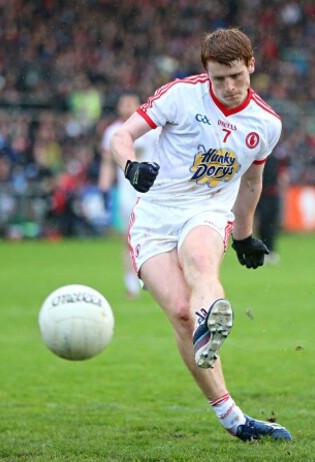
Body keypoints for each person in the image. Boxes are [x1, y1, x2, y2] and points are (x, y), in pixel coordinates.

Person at [110, 28, 292, 442]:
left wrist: (244, 235)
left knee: (200, 257)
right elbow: (123, 136)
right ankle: (234, 419)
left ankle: (211, 320)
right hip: (155, 216)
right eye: (218, 79)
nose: (228, 87)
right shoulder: (180, 94)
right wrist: (130, 166)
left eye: (236, 77)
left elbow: (251, 183)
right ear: (205, 73)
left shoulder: (266, 123)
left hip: (208, 210)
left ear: (251, 66)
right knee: (178, 312)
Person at [98, 92, 158, 299]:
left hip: (153, 191)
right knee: (129, 238)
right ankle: (132, 285)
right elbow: (107, 162)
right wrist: (104, 187)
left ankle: (153, 279)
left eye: (132, 103)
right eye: (124, 103)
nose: (127, 107)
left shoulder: (152, 130)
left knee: (155, 237)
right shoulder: (113, 132)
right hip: (126, 192)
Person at [255, 151, 288, 264]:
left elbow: (282, 177)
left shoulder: (272, 157)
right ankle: (264, 249)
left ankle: (270, 249)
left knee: (270, 224)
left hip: (271, 195)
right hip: (264, 195)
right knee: (265, 225)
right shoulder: (271, 157)